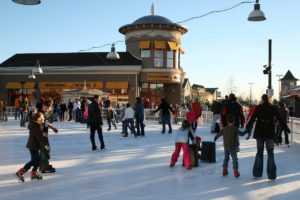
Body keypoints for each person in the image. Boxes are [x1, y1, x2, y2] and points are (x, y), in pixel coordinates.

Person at [246, 94, 290, 180]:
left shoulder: (258, 107)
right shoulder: (273, 107)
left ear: (262, 99)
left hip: (260, 131)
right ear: (268, 99)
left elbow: (252, 118)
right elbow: (280, 119)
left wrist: (248, 127)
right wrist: (286, 128)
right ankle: (271, 174)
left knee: (259, 152)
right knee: (270, 153)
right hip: (269, 131)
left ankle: (257, 173)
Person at [15, 112, 49, 182]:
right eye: (42, 118)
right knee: (34, 160)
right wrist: (46, 146)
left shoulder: (34, 125)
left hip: (33, 146)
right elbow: (40, 139)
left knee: (38, 160)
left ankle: (33, 174)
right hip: (33, 146)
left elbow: (42, 132)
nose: (43, 119)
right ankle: (20, 172)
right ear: (38, 119)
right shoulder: (37, 127)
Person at [39, 100, 58, 173]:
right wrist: (42, 133)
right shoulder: (41, 114)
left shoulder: (45, 114)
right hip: (42, 136)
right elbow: (37, 124)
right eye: (47, 107)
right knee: (46, 149)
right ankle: (44, 166)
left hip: (43, 135)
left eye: (48, 108)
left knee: (44, 150)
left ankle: (42, 165)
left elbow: (45, 123)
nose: (48, 109)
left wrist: (53, 128)